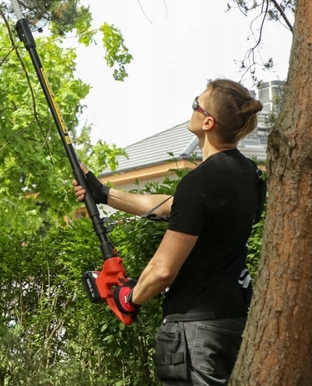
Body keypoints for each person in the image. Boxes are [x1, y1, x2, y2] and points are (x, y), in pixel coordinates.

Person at [75, 79, 265, 386]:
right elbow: (169, 206)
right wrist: (101, 192)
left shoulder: (200, 182)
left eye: (195, 104)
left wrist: (129, 297)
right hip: (235, 323)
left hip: (195, 333)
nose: (190, 108)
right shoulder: (249, 175)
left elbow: (163, 270)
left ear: (207, 121)